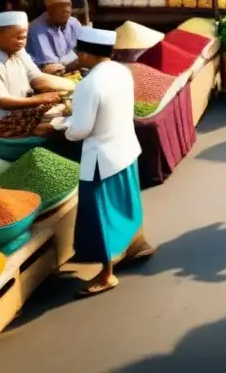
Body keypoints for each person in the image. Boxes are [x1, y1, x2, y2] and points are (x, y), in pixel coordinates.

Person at [39, 27, 153, 298]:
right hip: (125, 149)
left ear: (88, 54)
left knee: (100, 217)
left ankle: (106, 274)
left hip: (102, 159)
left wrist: (56, 126)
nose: (78, 57)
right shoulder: (120, 71)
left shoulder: (90, 84)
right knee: (125, 203)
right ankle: (135, 245)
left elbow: (80, 130)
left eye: (79, 52)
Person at [0, 11, 61, 150]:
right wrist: (40, 99)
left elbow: (36, 77)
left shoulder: (19, 52)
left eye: (24, 38)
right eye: (17, 37)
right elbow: (3, 102)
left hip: (11, 120)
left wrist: (71, 86)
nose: (21, 42)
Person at [27, 0, 83, 74]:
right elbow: (51, 68)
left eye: (68, 5)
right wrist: (75, 63)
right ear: (50, 9)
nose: (67, 10)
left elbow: (85, 49)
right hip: (47, 75)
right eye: (61, 7)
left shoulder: (73, 23)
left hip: (72, 70)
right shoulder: (36, 29)